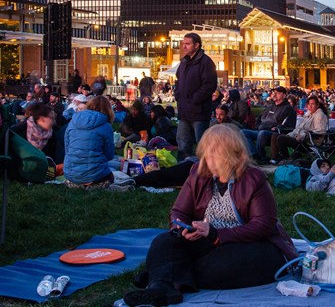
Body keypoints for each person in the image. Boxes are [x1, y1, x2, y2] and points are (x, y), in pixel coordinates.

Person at [121, 125, 296, 307]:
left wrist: (217, 235)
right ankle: (161, 289)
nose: (208, 160)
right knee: (164, 241)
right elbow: (179, 212)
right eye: (206, 154)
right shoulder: (198, 173)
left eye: (214, 155)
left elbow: (264, 225)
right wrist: (181, 228)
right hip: (207, 239)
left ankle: (164, 275)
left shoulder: (254, 179)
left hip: (250, 243)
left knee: (222, 265)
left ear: (231, 155)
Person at [173, 33, 217, 158]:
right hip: (184, 111)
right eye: (183, 44)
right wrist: (178, 94)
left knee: (202, 144)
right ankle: (182, 169)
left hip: (199, 111)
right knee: (182, 142)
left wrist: (195, 99)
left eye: (187, 44)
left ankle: (206, 170)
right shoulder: (184, 62)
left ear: (196, 45)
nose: (184, 47)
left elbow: (210, 84)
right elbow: (178, 79)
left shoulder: (206, 62)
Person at [63, 95, 120, 187]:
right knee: (112, 170)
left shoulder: (73, 121)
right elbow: (109, 155)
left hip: (71, 175)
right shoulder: (106, 126)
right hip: (95, 177)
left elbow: (67, 148)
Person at [241, 86, 295, 162]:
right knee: (243, 132)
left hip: (273, 134)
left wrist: (277, 128)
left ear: (284, 95)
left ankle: (262, 157)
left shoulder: (288, 109)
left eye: (278, 93)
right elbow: (259, 119)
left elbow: (289, 126)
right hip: (261, 130)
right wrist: (258, 126)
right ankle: (255, 155)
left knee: (262, 133)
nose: (275, 95)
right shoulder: (270, 107)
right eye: (274, 93)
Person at [270, 95, 327, 162]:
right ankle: (274, 158)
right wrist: (291, 135)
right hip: (299, 138)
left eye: (313, 104)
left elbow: (319, 131)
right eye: (309, 104)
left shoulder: (320, 116)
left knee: (281, 138)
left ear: (317, 105)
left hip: (309, 143)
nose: (310, 106)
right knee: (275, 135)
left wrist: (303, 136)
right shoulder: (308, 115)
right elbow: (298, 128)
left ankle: (286, 160)